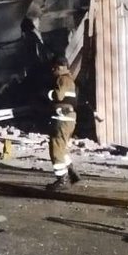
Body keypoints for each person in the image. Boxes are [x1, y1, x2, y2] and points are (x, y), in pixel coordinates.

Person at [45, 55, 81, 190]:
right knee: (61, 148)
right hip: (68, 119)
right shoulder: (70, 80)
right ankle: (71, 172)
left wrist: (47, 94)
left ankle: (62, 179)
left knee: (55, 148)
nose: (52, 71)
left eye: (54, 68)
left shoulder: (63, 79)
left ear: (59, 67)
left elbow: (58, 95)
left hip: (62, 119)